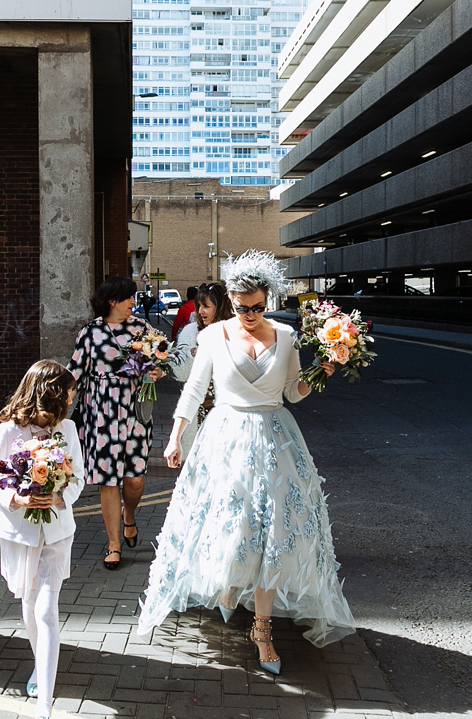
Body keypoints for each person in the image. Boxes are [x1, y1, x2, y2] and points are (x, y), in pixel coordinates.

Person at [136, 250, 356, 675]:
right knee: (232, 526)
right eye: (242, 307)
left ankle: (263, 628)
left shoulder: (287, 336)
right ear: (231, 300)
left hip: (276, 438)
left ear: (267, 299)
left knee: (275, 533)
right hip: (225, 439)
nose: (250, 314)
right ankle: (231, 587)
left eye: (257, 307)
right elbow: (195, 388)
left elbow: (293, 392)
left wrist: (322, 372)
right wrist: (177, 433)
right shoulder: (213, 334)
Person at [0, 360, 84, 719]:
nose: (73, 398)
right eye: (69, 392)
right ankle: (40, 662)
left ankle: (45, 707)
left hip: (57, 531)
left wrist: (59, 496)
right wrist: (19, 498)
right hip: (18, 533)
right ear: (51, 393)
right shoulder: (9, 431)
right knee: (28, 604)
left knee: (46, 609)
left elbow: (79, 479)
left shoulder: (68, 429)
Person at [68, 276, 164, 571]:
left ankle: (130, 515)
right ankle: (113, 544)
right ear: (112, 301)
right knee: (108, 480)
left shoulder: (142, 329)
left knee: (134, 478)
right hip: (100, 412)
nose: (133, 303)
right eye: (128, 299)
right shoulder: (90, 333)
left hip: (134, 410)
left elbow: (159, 360)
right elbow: (74, 372)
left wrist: (157, 372)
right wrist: (55, 405)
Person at [170, 282, 233, 453]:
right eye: (199, 306)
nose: (200, 311)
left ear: (219, 307)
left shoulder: (236, 332)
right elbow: (178, 373)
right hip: (199, 416)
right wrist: (192, 354)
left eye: (206, 306)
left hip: (231, 416)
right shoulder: (191, 332)